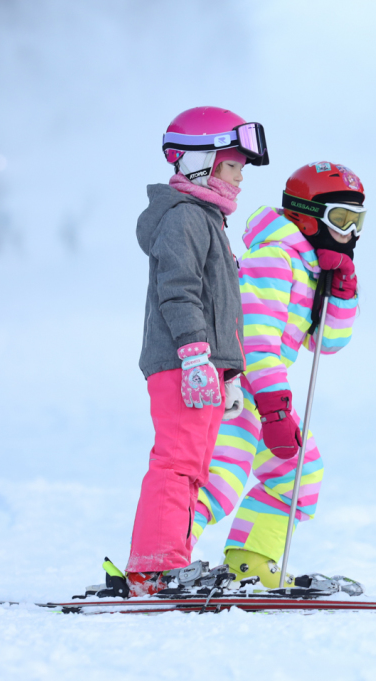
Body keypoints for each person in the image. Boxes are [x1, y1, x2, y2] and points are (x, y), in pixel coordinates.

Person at [191, 161, 363, 589]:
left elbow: (327, 342)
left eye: (358, 221)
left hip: (261, 393)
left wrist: (340, 288)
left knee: (298, 473)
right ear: (307, 215)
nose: (352, 232)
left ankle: (250, 560)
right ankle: (160, 563)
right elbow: (255, 341)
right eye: (341, 218)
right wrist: (274, 411)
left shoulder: (308, 268)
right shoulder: (273, 259)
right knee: (219, 482)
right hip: (233, 389)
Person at [120, 106, 269, 597]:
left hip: (203, 366)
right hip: (183, 364)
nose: (240, 178)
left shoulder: (208, 220)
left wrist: (226, 370)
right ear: (199, 163)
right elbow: (179, 290)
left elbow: (220, 305)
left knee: (195, 467)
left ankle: (168, 561)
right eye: (233, 166)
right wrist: (194, 355)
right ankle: (154, 567)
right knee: (177, 462)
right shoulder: (184, 218)